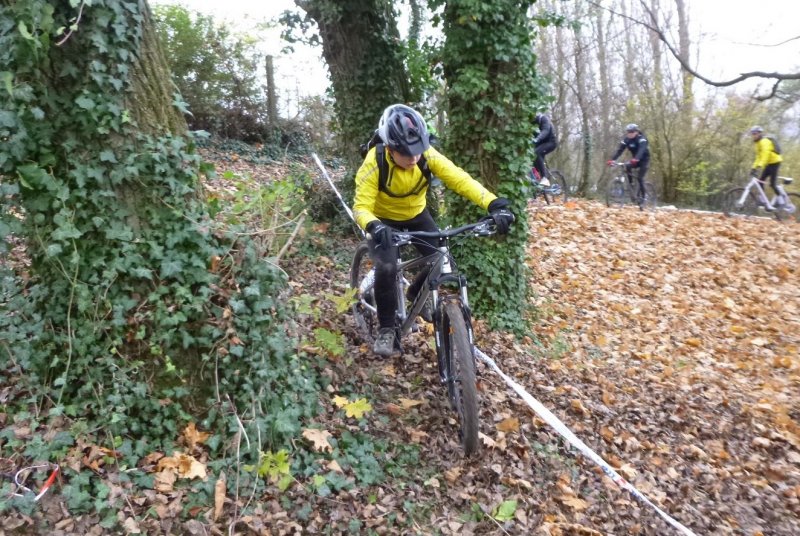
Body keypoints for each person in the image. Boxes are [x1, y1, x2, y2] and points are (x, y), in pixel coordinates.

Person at [352, 104, 515, 357]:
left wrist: (492, 202)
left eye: (417, 151)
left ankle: (415, 291)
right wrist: (374, 225)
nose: (414, 158)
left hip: (417, 215)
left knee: (440, 255)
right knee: (386, 267)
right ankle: (386, 329)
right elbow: (361, 206)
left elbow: (459, 178)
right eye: (406, 153)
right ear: (391, 148)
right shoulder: (374, 163)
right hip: (382, 220)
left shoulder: (426, 155)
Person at [607, 123, 651, 205]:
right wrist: (612, 160)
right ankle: (631, 186)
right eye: (628, 132)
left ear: (636, 132)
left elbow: (641, 150)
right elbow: (619, 150)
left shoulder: (642, 139)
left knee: (640, 178)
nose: (630, 133)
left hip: (644, 160)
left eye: (632, 131)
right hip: (635, 160)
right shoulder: (626, 140)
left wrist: (636, 158)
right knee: (626, 167)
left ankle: (644, 197)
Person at [748, 126, 786, 209]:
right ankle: (763, 201)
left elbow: (766, 155)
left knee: (772, 184)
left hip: (775, 162)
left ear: (759, 133)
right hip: (768, 163)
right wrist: (753, 167)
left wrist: (759, 166)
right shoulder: (757, 144)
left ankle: (781, 201)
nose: (754, 135)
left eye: (755, 133)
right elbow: (758, 157)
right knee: (760, 182)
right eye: (752, 134)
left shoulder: (764, 141)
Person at [532, 113, 558, 187]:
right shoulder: (533, 123)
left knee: (537, 153)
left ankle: (545, 178)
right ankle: (537, 183)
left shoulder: (544, 119)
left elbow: (545, 131)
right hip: (541, 143)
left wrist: (537, 139)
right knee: (534, 160)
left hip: (551, 142)